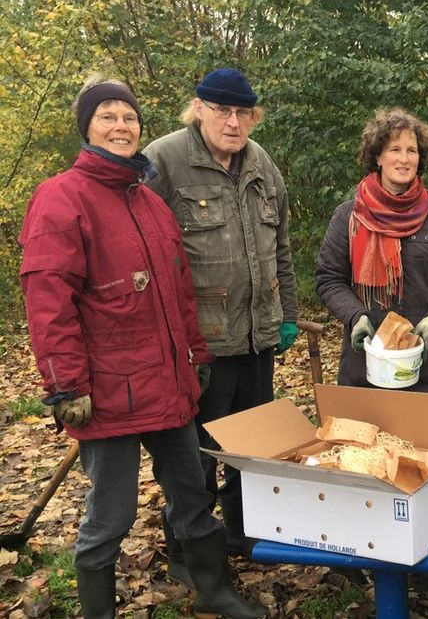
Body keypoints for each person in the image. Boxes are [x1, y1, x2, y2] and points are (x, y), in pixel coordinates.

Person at [19, 76, 264, 619]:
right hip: (104, 392)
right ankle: (98, 611)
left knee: (192, 497)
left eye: (128, 117)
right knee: (111, 515)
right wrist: (64, 384)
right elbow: (47, 298)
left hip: (167, 384)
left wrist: (197, 356)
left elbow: (180, 294)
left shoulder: (148, 202)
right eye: (107, 116)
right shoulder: (60, 198)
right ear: (86, 126)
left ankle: (213, 591)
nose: (120, 126)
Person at [144, 68, 298, 561]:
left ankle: (242, 534)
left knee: (249, 448)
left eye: (243, 113)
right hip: (200, 345)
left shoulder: (261, 163)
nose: (233, 122)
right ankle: (190, 548)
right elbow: (143, 252)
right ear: (199, 109)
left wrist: (287, 313)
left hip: (258, 337)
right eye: (222, 110)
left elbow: (282, 248)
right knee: (195, 453)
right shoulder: (163, 161)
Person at [316, 108, 428, 392]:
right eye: (394, 149)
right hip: (367, 363)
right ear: (378, 156)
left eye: (412, 150)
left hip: (426, 364)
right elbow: (329, 279)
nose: (404, 158)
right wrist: (354, 316)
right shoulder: (348, 216)